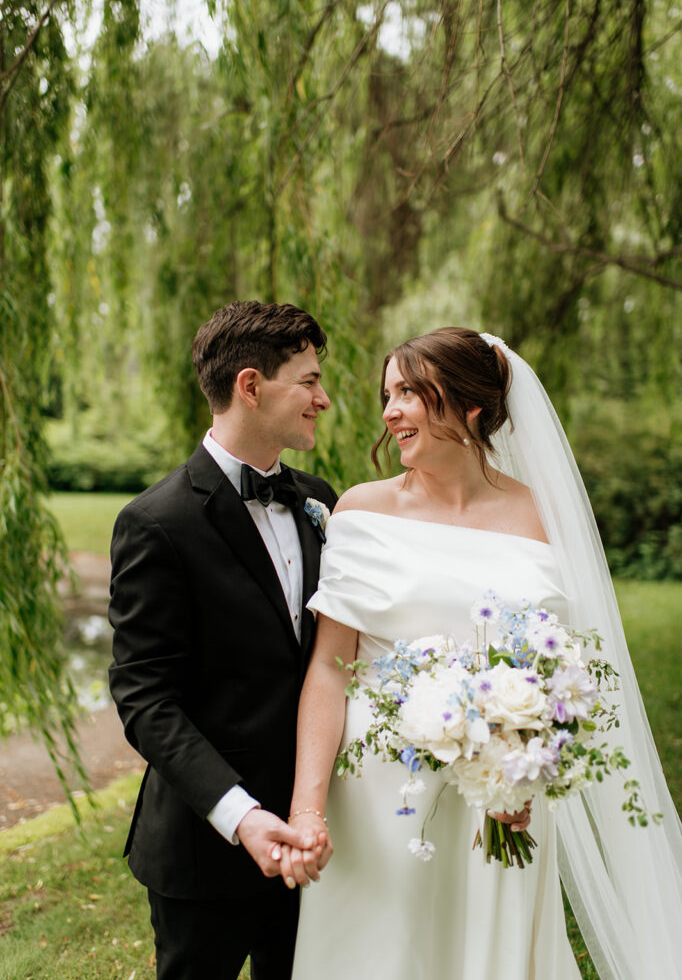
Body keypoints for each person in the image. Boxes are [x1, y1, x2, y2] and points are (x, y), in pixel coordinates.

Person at [282, 327, 682, 980]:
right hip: (383, 794)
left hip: (505, 803)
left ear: (469, 404)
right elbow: (328, 667)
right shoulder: (362, 511)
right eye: (389, 394)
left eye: (410, 392)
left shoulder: (541, 516)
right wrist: (308, 807)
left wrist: (530, 761)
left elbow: (568, 669)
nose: (390, 412)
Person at [108, 300, 336, 980]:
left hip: (314, 835)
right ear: (250, 385)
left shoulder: (320, 500)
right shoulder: (157, 522)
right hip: (204, 847)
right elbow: (144, 697)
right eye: (310, 381)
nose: (323, 400)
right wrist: (241, 816)